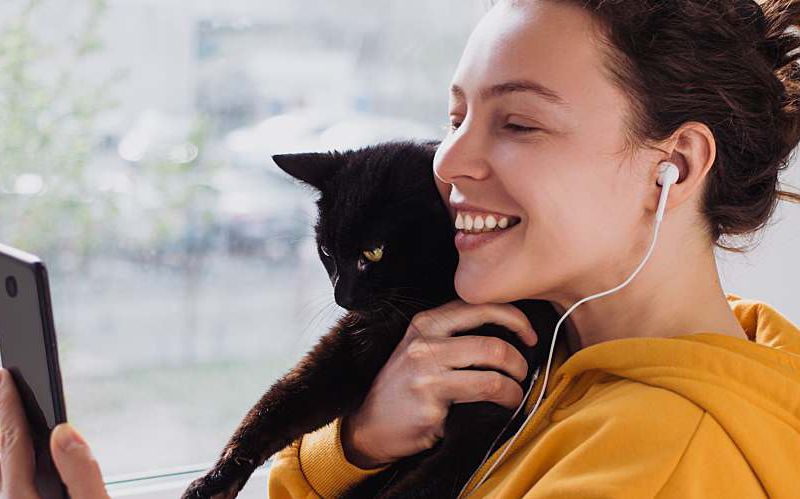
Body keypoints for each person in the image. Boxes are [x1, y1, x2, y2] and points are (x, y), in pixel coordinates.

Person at [1, 0, 799, 498]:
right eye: (456, 116)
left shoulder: (655, 460)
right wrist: (357, 443)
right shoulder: (570, 363)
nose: (449, 161)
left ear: (678, 164)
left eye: (517, 122)